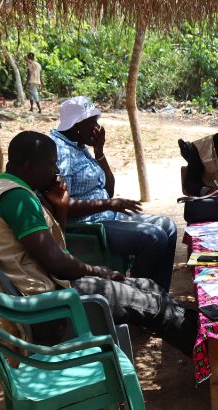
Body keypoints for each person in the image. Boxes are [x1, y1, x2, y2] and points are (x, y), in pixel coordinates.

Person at [0, 131, 198, 356]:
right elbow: (57, 263)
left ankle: (206, 336)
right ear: (30, 167)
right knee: (153, 307)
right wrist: (99, 272)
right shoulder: (18, 199)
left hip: (53, 290)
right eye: (51, 163)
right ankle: (212, 356)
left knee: (149, 286)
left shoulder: (9, 188)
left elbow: (55, 250)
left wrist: (61, 207)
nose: (56, 170)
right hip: (50, 306)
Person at [51, 96, 177, 291]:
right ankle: (142, 295)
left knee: (168, 226)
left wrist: (99, 151)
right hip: (88, 225)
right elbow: (62, 205)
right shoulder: (61, 152)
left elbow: (108, 190)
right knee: (154, 237)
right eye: (92, 122)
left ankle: (161, 293)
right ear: (76, 125)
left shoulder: (79, 146)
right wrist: (109, 204)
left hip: (106, 214)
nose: (97, 127)